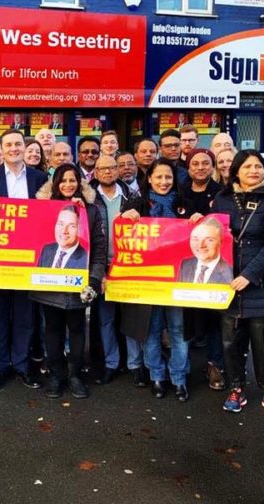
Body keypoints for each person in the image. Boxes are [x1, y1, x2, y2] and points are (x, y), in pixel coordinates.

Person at [211, 150, 264, 419]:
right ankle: (236, 388)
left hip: (260, 285)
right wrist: (199, 222)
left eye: (258, 166)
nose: (254, 171)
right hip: (227, 284)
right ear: (237, 171)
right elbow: (212, 235)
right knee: (231, 342)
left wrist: (250, 275)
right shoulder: (221, 199)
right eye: (248, 167)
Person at [120, 158, 193, 401]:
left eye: (168, 177)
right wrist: (125, 217)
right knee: (151, 331)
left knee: (178, 330)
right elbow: (122, 237)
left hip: (179, 281)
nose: (164, 182)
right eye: (158, 177)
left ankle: (179, 378)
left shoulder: (186, 204)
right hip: (148, 281)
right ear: (149, 178)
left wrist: (199, 221)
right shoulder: (137, 204)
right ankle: (157, 377)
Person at [0, 129, 47, 392]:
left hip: (28, 260)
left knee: (24, 316)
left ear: (25, 146)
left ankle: (21, 366)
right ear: (1, 149)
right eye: (8, 145)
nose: (14, 149)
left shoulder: (40, 178)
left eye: (18, 144)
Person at [33, 163, 107, 399]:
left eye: (72, 180)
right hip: (48, 289)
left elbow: (99, 250)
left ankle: (75, 375)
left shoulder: (91, 211)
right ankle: (56, 375)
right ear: (55, 184)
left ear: (80, 183)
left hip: (78, 286)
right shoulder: (44, 210)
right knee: (52, 330)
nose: (67, 185)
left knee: (77, 330)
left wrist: (93, 280)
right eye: (62, 181)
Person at [180, 149, 227, 391]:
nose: (200, 167)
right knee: (186, 321)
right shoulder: (179, 192)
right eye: (195, 163)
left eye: (205, 163)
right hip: (184, 268)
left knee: (213, 322)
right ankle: (181, 368)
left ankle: (215, 365)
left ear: (212, 166)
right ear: (188, 167)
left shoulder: (222, 193)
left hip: (213, 266)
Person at [91, 154, 137, 385]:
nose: (108, 172)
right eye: (103, 169)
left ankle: (134, 364)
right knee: (105, 318)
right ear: (96, 173)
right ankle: (111, 363)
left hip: (129, 266)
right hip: (103, 266)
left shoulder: (133, 196)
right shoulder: (89, 197)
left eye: (112, 168)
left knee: (131, 317)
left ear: (119, 171)